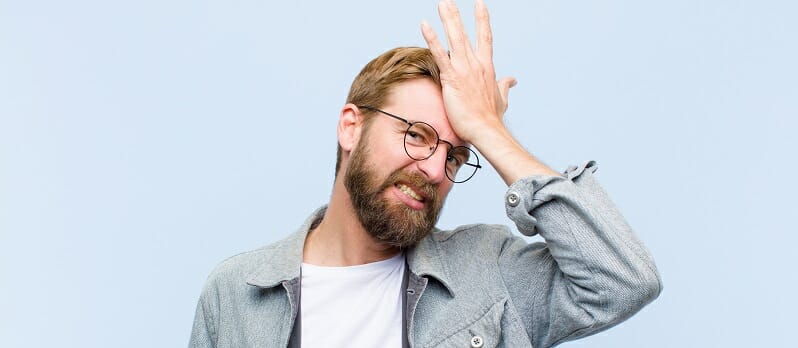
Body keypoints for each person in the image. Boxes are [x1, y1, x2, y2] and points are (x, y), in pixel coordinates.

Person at [188, 0, 661, 347]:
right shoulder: (236, 293)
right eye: (417, 135)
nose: (436, 169)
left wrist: (490, 132)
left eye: (455, 156)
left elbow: (624, 281)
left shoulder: (488, 272)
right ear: (351, 127)